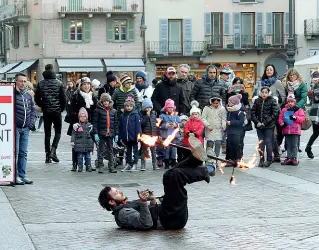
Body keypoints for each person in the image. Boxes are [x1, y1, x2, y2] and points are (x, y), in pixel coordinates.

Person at [98, 140, 215, 230]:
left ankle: (195, 159)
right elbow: (146, 224)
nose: (120, 192)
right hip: (169, 220)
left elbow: (150, 211)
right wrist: (143, 202)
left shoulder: (125, 205)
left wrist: (151, 199)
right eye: (116, 193)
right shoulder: (123, 214)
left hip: (168, 214)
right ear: (111, 202)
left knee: (169, 175)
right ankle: (206, 171)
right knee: (172, 177)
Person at [35, 64, 66, 164]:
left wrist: (42, 105)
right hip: (57, 112)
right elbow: (63, 98)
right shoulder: (59, 83)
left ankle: (48, 156)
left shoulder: (40, 83)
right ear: (53, 71)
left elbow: (36, 98)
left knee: (47, 134)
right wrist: (61, 108)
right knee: (58, 132)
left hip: (47, 112)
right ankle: (53, 150)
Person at [68, 77, 98, 171]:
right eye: (84, 84)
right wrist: (74, 123)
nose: (86, 86)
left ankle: (88, 163)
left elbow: (95, 111)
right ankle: (75, 163)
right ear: (81, 86)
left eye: (88, 84)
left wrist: (93, 123)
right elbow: (71, 110)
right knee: (77, 145)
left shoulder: (93, 96)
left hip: (89, 124)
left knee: (88, 144)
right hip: (78, 124)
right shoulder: (76, 96)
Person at [15, 73, 35, 185]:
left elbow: (32, 110)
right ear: (16, 81)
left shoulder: (28, 95)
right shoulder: (13, 94)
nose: (23, 83)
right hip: (16, 128)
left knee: (23, 153)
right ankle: (15, 175)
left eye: (24, 81)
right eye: (21, 81)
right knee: (16, 152)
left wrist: (30, 124)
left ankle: (23, 175)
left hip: (25, 128)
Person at [251, 86, 279, 168]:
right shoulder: (257, 101)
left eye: (266, 92)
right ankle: (261, 160)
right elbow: (253, 113)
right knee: (261, 143)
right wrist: (257, 122)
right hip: (259, 126)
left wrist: (265, 122)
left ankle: (269, 159)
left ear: (268, 93)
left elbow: (274, 114)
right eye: (263, 92)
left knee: (268, 142)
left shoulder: (272, 101)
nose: (264, 94)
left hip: (269, 126)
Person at [92, 93, 118, 174]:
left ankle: (111, 167)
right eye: (104, 101)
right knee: (101, 150)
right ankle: (100, 166)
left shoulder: (113, 111)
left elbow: (116, 124)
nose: (106, 102)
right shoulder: (97, 110)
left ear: (109, 101)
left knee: (111, 151)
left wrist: (116, 134)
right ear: (102, 102)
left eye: (107, 101)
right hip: (101, 134)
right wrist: (95, 133)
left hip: (110, 134)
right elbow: (95, 123)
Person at [278, 93, 305, 166]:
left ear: (294, 102)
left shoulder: (299, 110)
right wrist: (282, 124)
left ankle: (294, 158)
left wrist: (295, 118)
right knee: (288, 145)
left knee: (294, 145)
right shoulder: (284, 109)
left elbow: (302, 118)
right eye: (289, 101)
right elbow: (280, 118)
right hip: (286, 130)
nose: (290, 103)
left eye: (292, 101)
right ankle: (289, 157)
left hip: (295, 130)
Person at [119, 95, 142, 172]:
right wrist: (121, 137)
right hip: (126, 137)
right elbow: (121, 126)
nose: (128, 107)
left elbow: (138, 127)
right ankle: (128, 163)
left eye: (130, 106)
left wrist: (138, 136)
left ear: (133, 106)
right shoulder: (123, 116)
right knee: (127, 151)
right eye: (127, 106)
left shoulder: (136, 115)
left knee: (135, 150)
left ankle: (135, 163)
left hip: (134, 137)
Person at [71, 108, 95, 172]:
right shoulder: (77, 126)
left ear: (86, 117)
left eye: (84, 116)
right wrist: (72, 141)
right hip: (79, 144)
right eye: (81, 116)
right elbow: (74, 134)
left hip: (87, 144)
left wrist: (94, 141)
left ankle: (89, 166)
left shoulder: (89, 125)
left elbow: (92, 134)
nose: (82, 118)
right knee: (79, 157)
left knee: (88, 157)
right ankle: (80, 166)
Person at [159, 99, 181, 169]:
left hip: (174, 136)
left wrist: (176, 124)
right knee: (167, 149)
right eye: (169, 107)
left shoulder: (176, 116)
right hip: (166, 136)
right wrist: (166, 125)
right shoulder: (162, 116)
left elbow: (181, 124)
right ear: (166, 107)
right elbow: (159, 125)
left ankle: (173, 161)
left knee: (174, 149)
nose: (170, 109)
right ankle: (167, 162)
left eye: (171, 107)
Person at [225, 94, 245, 167]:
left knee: (236, 146)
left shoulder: (240, 112)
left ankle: (237, 159)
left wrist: (231, 122)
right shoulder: (229, 111)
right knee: (229, 145)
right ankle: (230, 159)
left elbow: (241, 122)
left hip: (237, 132)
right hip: (230, 132)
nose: (228, 103)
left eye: (230, 102)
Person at [140, 98, 159, 171]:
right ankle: (143, 165)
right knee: (144, 151)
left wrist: (157, 134)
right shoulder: (142, 115)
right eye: (146, 107)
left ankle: (154, 164)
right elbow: (141, 124)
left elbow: (156, 125)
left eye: (149, 107)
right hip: (145, 136)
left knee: (153, 151)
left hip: (153, 136)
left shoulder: (154, 115)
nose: (148, 109)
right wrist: (146, 117)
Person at [305, 80, 319, 159]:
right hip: (316, 111)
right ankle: (308, 148)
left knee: (316, 133)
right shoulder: (316, 86)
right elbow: (317, 98)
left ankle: (308, 147)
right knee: (316, 132)